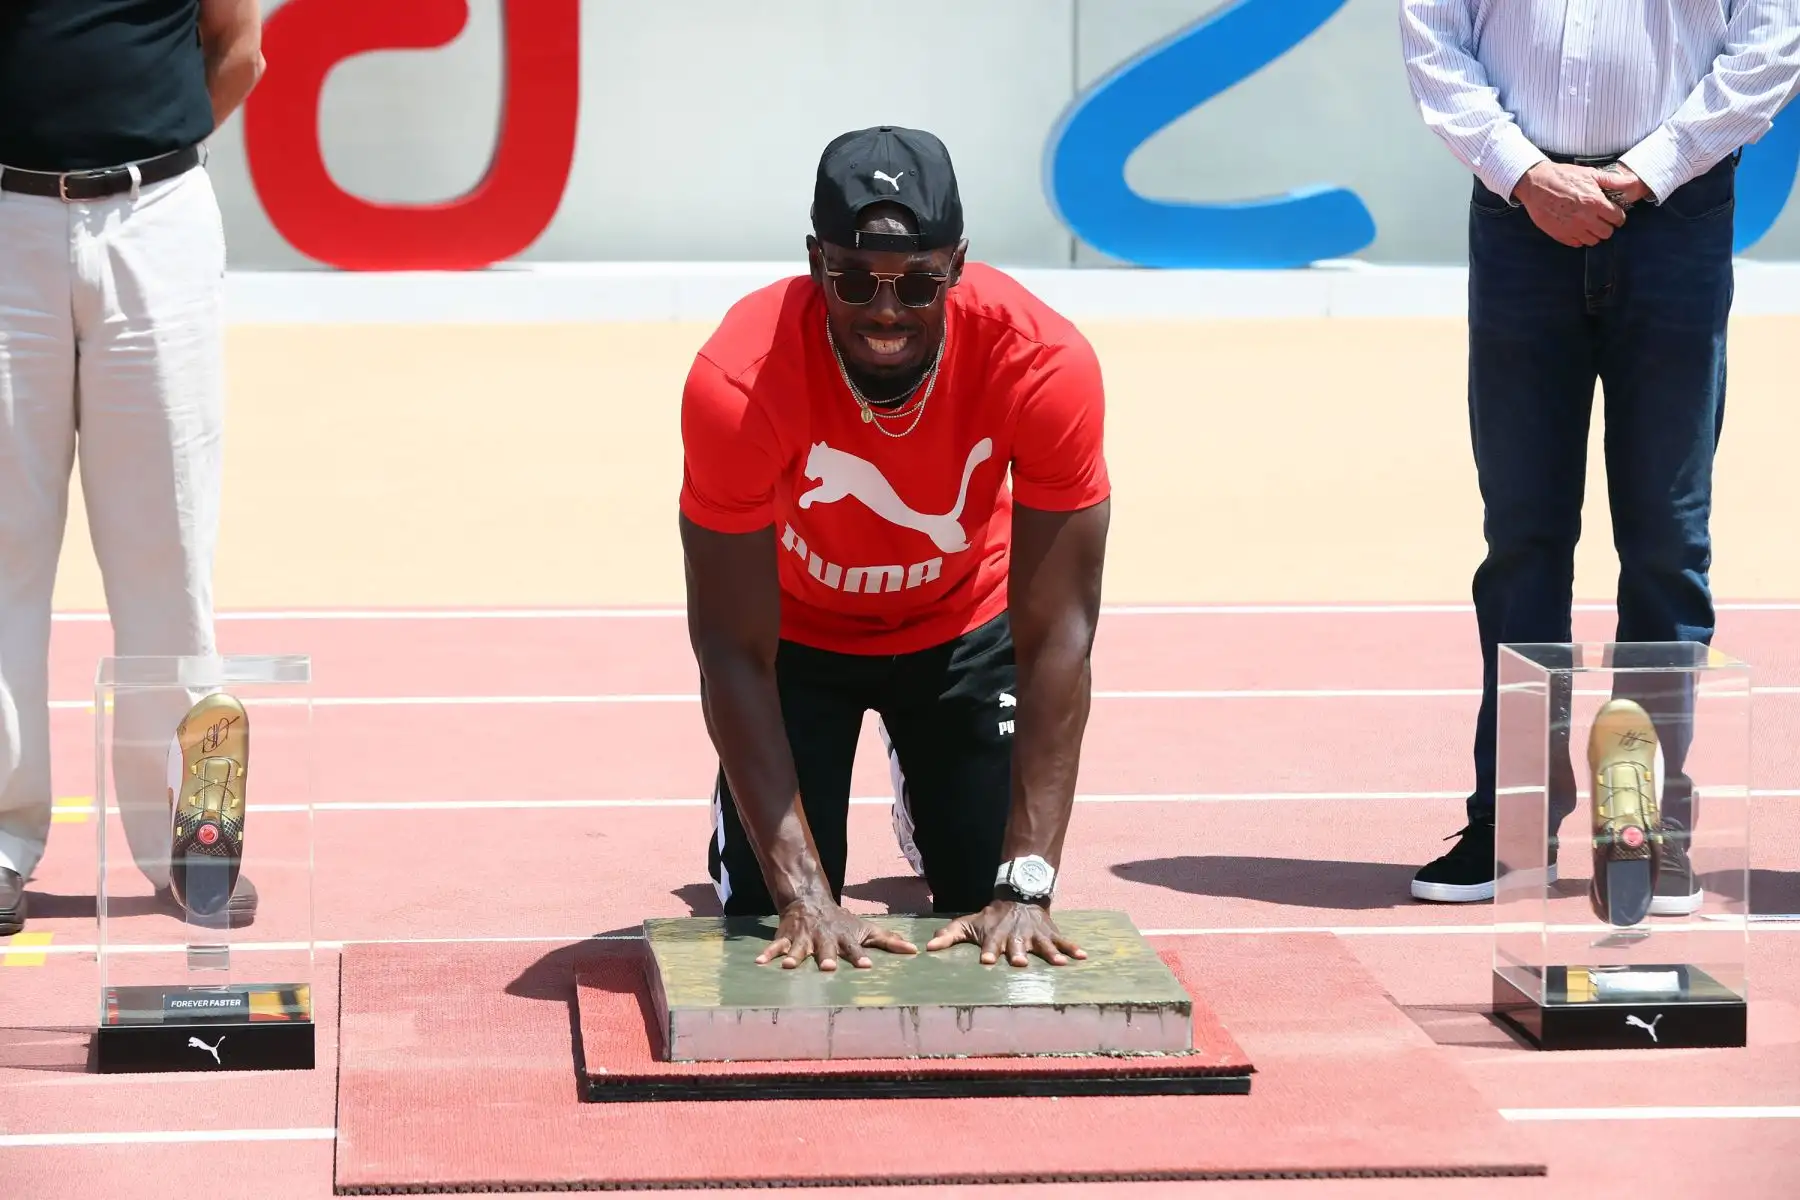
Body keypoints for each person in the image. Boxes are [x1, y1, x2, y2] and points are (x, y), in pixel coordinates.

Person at [677, 126, 1111, 971]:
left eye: (916, 282)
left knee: (985, 885)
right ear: (814, 261)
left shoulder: (1046, 363)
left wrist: (1025, 883)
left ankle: (934, 784)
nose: (884, 311)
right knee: (774, 913)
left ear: (955, 264)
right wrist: (804, 894)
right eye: (852, 279)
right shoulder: (737, 381)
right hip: (794, 642)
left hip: (962, 631)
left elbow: (1062, 630)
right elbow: (727, 646)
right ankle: (762, 817)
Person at [1399, 2, 1800, 907]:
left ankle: (1645, 825)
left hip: (1677, 214)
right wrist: (1526, 174)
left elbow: (1770, 49)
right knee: (1522, 538)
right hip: (1518, 220)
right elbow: (1433, 39)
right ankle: (1512, 822)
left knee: (1666, 539)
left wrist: (1644, 171)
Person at [0, 0, 266, 937]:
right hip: (2, 224)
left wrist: (134, 174)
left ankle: (188, 838)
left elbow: (237, 53)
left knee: (169, 549)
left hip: (157, 218)